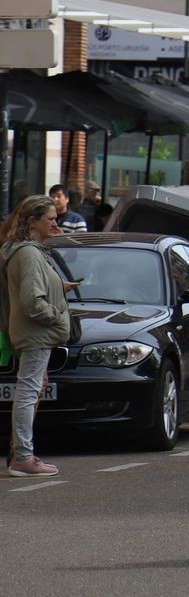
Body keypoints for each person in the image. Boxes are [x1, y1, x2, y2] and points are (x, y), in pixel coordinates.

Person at [0, 196, 75, 477]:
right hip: (36, 332)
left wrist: (58, 287)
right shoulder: (28, 253)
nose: (56, 223)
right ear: (32, 222)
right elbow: (32, 301)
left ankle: (21, 453)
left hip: (32, 332)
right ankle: (22, 457)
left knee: (32, 387)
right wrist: (55, 314)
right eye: (51, 219)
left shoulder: (23, 251)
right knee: (29, 390)